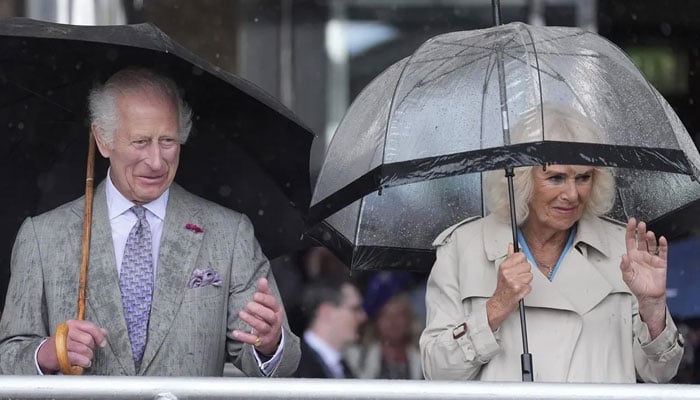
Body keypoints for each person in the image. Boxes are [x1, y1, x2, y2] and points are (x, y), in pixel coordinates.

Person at [0, 67, 300, 376]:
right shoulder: (44, 236)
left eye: (168, 140)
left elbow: (283, 362)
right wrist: (49, 353)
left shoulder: (228, 233)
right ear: (103, 141)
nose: (156, 161)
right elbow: (8, 357)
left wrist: (270, 343)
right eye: (141, 142)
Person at [419, 106, 684, 382]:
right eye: (556, 178)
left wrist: (653, 309)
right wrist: (495, 309)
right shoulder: (463, 248)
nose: (572, 194)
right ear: (521, 178)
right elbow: (437, 372)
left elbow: (660, 373)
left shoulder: (623, 248)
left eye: (583, 177)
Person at [294, 279, 367, 378]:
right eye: (355, 309)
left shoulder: (344, 367)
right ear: (326, 312)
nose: (363, 317)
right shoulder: (294, 365)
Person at [345, 290, 423, 380]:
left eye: (399, 315)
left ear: (410, 320)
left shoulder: (424, 359)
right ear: (375, 321)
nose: (392, 322)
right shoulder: (355, 357)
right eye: (385, 315)